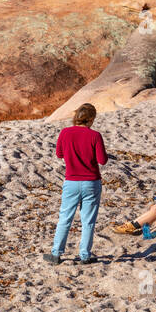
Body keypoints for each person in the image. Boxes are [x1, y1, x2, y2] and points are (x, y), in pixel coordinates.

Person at [44, 103, 109, 265]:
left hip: (71, 181)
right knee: (88, 221)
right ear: (91, 119)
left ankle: (56, 254)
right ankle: (85, 255)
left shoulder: (65, 132)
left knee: (65, 218)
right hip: (91, 182)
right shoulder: (95, 135)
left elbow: (59, 154)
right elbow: (102, 160)